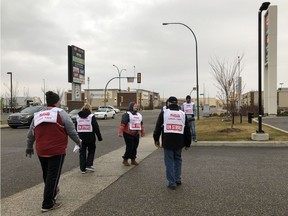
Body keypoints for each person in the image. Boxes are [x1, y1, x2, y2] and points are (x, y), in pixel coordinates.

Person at [26, 91, 82, 213]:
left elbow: (31, 133)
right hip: (57, 150)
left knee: (47, 174)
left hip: (41, 150)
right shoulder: (61, 113)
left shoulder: (38, 114)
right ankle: (48, 203)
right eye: (59, 101)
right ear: (57, 102)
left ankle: (53, 192)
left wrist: (29, 147)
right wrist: (78, 142)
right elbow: (71, 131)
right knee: (53, 175)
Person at [153, 96, 191, 190]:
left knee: (169, 161)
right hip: (179, 141)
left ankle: (171, 182)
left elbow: (158, 128)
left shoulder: (164, 113)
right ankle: (178, 178)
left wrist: (156, 139)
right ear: (177, 103)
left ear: (169, 103)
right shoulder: (183, 114)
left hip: (168, 141)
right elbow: (187, 130)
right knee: (178, 160)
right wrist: (187, 143)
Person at [75, 103, 103, 174]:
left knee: (82, 153)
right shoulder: (91, 116)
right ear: (89, 108)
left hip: (80, 137)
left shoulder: (78, 116)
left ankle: (82, 169)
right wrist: (99, 137)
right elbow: (96, 127)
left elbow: (75, 126)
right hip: (90, 137)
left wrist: (76, 136)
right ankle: (88, 165)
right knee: (91, 150)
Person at [118, 102, 145, 166]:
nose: (136, 107)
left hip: (136, 134)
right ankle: (125, 159)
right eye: (134, 106)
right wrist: (120, 132)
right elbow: (122, 124)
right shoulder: (127, 114)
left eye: (137, 106)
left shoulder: (139, 115)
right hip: (128, 133)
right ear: (131, 106)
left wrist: (142, 131)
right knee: (130, 147)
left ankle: (133, 160)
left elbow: (141, 124)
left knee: (135, 147)